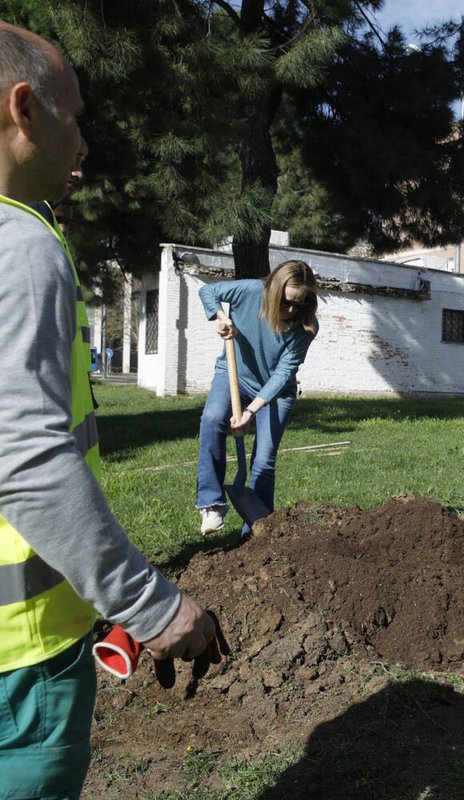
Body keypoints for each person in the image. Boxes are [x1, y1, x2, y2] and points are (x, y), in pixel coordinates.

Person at [0, 22, 217, 798]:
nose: (85, 140)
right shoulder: (19, 246)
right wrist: (150, 605)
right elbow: (24, 457)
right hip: (19, 659)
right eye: (76, 115)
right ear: (23, 109)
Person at [196, 260, 320, 535]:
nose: (290, 311)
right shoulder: (250, 292)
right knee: (212, 418)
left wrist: (250, 412)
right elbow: (208, 292)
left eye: (299, 304)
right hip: (233, 376)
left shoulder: (306, 327)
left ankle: (257, 531)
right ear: (273, 292)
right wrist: (220, 316)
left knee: (263, 461)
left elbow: (281, 375)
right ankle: (211, 502)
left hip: (276, 394)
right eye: (286, 302)